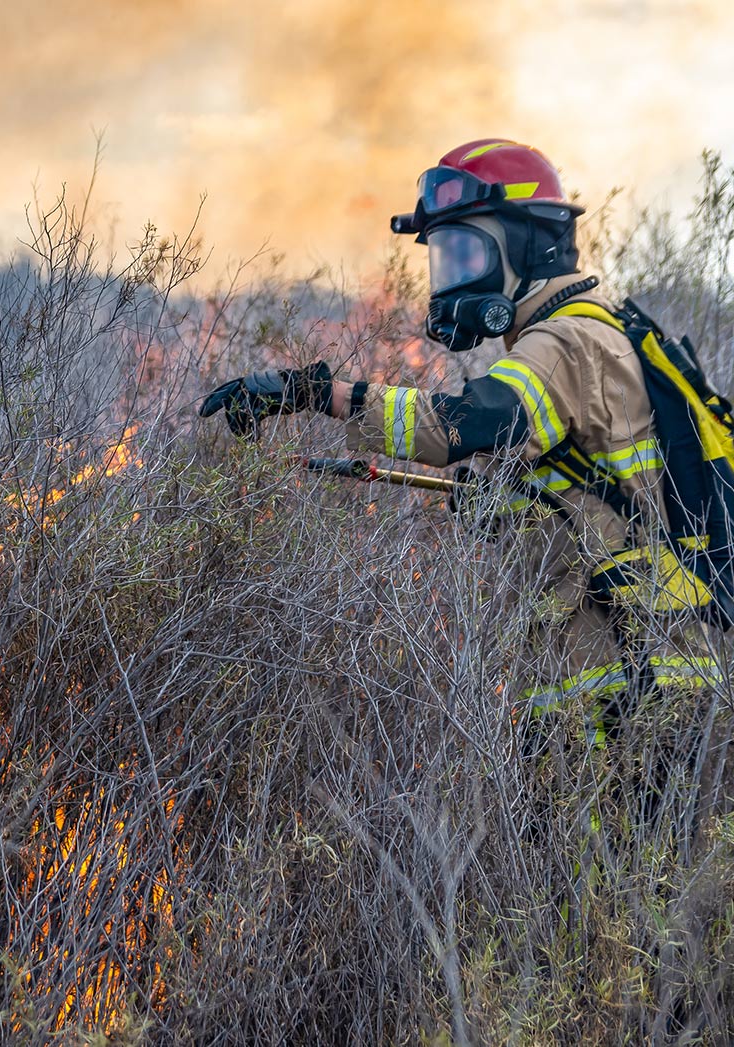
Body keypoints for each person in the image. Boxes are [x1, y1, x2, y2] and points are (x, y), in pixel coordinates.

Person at [202, 138, 721, 764]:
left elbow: (472, 424)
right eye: (444, 256)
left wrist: (322, 393)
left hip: (634, 665)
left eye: (468, 251)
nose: (452, 277)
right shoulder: (570, 334)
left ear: (528, 245)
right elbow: (593, 490)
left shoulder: (568, 338)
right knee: (573, 857)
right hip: (600, 658)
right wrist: (512, 503)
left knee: (628, 859)